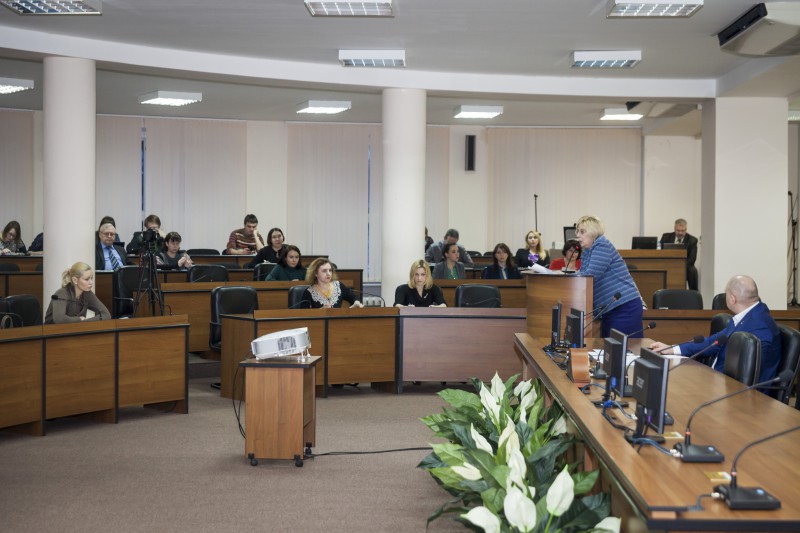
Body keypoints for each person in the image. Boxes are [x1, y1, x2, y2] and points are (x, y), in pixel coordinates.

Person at [649, 275, 780, 383]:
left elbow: (748, 375)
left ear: (732, 299)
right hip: (718, 381)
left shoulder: (760, 327)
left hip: (737, 394)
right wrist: (673, 349)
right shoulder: (748, 315)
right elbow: (713, 342)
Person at [576, 215, 643, 337]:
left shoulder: (602, 245)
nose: (578, 235)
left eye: (582, 231)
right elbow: (581, 275)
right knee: (609, 347)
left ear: (593, 231)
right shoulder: (588, 250)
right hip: (610, 309)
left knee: (625, 347)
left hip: (624, 307)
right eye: (578, 231)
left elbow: (589, 275)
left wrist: (565, 276)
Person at [45, 262, 111, 324]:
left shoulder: (87, 293)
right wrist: (79, 320)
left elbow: (106, 315)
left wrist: (84, 322)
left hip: (75, 330)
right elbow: (59, 319)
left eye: (91, 278)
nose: (91, 282)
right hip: (52, 331)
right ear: (75, 280)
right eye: (87, 279)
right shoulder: (62, 293)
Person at [660, 218, 699, 291]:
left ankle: (694, 293)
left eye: (683, 230)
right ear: (674, 229)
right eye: (678, 230)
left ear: (686, 229)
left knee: (692, 270)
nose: (680, 233)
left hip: (685, 265)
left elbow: (692, 259)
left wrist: (678, 265)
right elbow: (661, 253)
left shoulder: (692, 240)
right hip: (667, 264)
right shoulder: (666, 237)